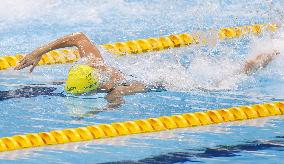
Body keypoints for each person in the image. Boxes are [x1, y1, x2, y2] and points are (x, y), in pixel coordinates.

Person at [14, 32, 280, 108]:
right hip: (156, 72)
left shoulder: (115, 87)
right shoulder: (93, 64)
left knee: (223, 82)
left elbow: (115, 101)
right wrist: (38, 52)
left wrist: (97, 111)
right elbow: (79, 37)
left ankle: (259, 59)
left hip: (169, 82)